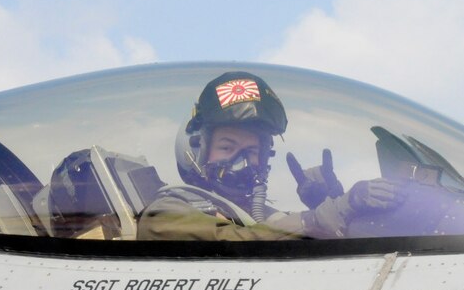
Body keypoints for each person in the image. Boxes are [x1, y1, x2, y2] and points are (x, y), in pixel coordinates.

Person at [137, 71, 404, 241]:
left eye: (252, 151)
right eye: (228, 148)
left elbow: (286, 234)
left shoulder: (254, 214)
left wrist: (326, 202)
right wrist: (319, 217)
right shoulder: (165, 214)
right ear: (195, 150)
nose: (241, 161)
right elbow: (239, 243)